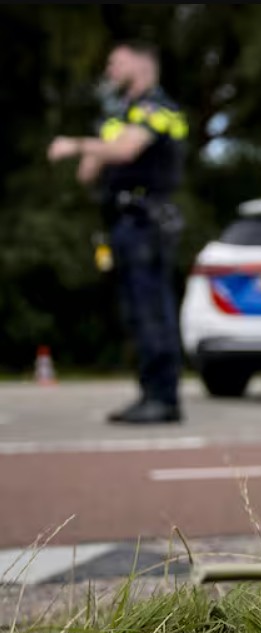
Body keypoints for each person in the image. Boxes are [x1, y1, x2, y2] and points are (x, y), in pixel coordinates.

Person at [47, 39, 187, 424]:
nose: (109, 70)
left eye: (115, 62)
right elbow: (88, 173)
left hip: (148, 220)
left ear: (141, 64)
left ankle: (164, 397)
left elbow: (126, 151)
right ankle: (149, 393)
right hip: (123, 221)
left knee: (152, 310)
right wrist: (97, 145)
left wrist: (78, 144)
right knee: (136, 314)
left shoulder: (159, 109)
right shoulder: (121, 114)